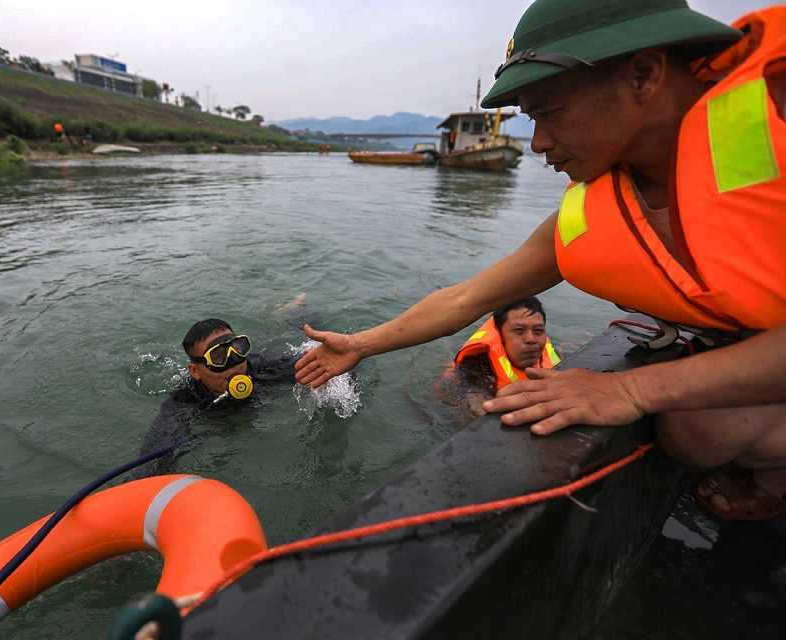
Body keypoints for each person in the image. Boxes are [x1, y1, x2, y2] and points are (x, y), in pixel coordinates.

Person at [296, 0, 786, 521]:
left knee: (695, 430)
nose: (538, 144)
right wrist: (360, 345)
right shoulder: (603, 201)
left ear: (643, 74)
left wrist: (631, 388)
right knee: (694, 433)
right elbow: (469, 298)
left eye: (549, 113)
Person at [136, 318, 298, 475]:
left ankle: (278, 316)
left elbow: (311, 364)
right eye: (218, 357)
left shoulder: (261, 369)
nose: (234, 362)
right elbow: (152, 458)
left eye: (238, 348)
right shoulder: (185, 402)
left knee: (269, 334)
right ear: (195, 371)